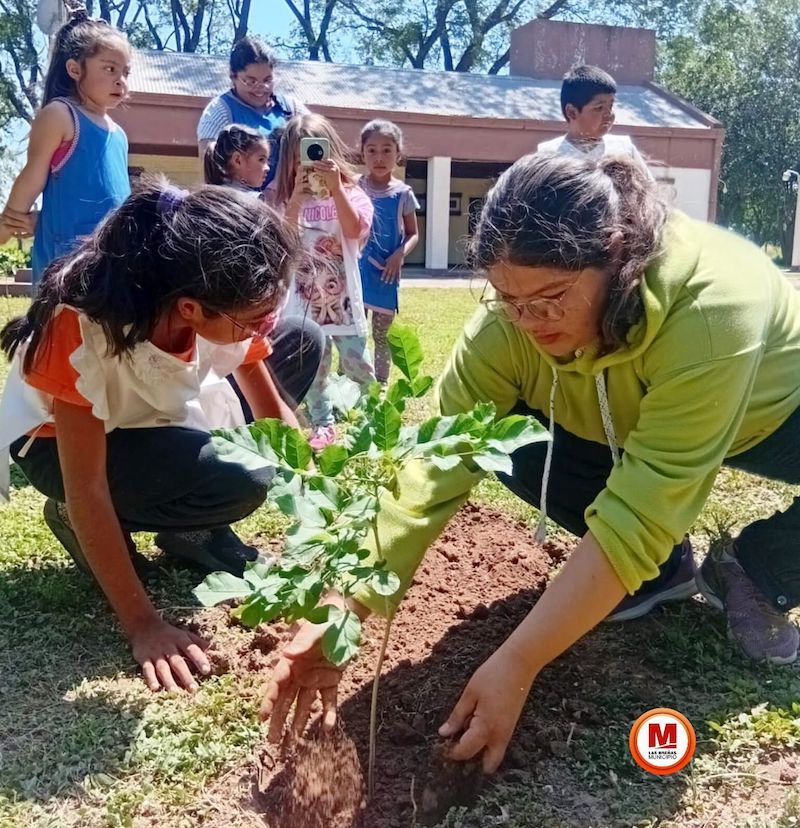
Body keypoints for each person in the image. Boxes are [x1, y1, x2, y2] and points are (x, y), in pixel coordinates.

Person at [261, 152, 800, 773]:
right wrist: (342, 607)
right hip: (618, 417)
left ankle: (761, 566)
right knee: (498, 440)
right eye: (509, 299)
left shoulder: (709, 310)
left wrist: (518, 663)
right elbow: (435, 464)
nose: (529, 322)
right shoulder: (508, 324)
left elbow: (642, 512)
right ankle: (662, 575)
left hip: (772, 410)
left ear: (617, 254)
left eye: (550, 299)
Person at [0, 181, 323, 693]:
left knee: (303, 342)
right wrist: (144, 626)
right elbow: (87, 485)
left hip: (150, 419)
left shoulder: (205, 292)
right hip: (56, 446)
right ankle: (88, 521)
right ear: (191, 308)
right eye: (254, 317)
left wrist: (319, 503)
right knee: (244, 475)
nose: (265, 325)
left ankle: (187, 528)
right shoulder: (83, 329)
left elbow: (271, 412)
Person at [0, 10, 131, 287]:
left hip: (110, 262)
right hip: (65, 265)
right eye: (110, 69)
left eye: (125, 72)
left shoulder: (119, 135)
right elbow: (33, 176)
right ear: (74, 69)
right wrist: (9, 220)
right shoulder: (61, 115)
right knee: (62, 328)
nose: (121, 79)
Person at [271, 113, 376, 450]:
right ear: (290, 160)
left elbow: (354, 231)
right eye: (302, 155)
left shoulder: (352, 192)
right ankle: (322, 423)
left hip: (342, 299)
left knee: (356, 362)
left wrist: (336, 191)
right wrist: (297, 200)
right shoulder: (282, 199)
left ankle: (373, 419)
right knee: (314, 367)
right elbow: (280, 241)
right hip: (303, 300)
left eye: (317, 152)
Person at [196, 37, 307, 187]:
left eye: (268, 80)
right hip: (240, 205)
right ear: (233, 76)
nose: (261, 87)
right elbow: (211, 175)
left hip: (291, 202)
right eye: (251, 81)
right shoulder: (219, 112)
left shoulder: (291, 108)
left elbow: (321, 141)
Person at [357, 120, 420, 384]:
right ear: (362, 153)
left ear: (398, 154)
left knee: (381, 335)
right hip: (357, 273)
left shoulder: (403, 194)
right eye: (371, 150)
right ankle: (351, 380)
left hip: (386, 274)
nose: (379, 157)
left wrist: (399, 254)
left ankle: (380, 384)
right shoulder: (353, 188)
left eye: (386, 150)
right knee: (354, 333)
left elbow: (413, 234)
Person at [537, 65, 652, 174]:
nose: (609, 114)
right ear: (571, 112)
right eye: (599, 108)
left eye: (611, 106)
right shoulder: (549, 155)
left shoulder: (624, 148)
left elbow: (646, 189)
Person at [203, 124, 272, 194]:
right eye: (261, 160)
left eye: (267, 160)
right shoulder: (251, 201)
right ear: (237, 160)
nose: (267, 168)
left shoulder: (207, 197)